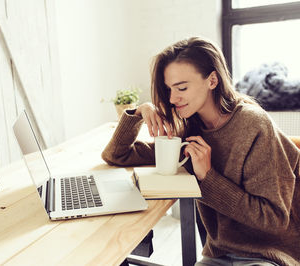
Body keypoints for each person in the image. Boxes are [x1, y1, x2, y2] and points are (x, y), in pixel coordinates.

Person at [101, 37, 300, 266]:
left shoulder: (253, 124)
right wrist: (138, 112)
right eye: (169, 89)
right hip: (218, 255)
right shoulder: (190, 130)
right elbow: (116, 155)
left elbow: (273, 219)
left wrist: (208, 177)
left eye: (182, 88)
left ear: (212, 80)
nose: (173, 99)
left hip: (270, 255)